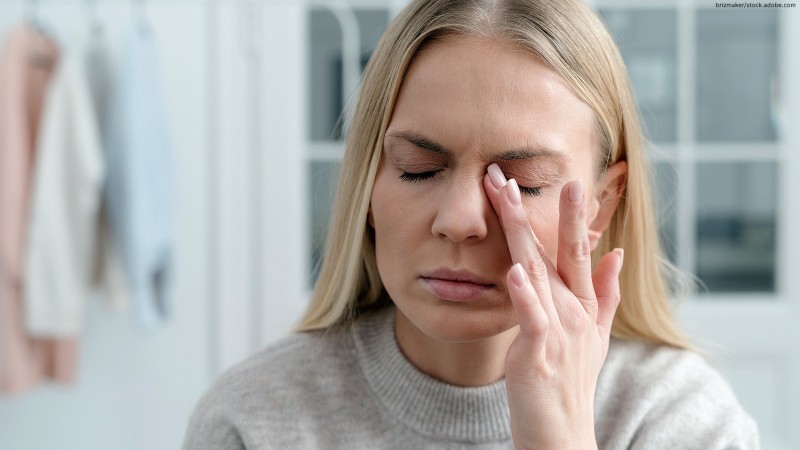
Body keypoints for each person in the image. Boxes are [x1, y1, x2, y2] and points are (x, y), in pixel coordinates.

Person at [184, 0, 759, 448]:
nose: (459, 220)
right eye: (417, 169)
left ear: (602, 205)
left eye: (523, 183)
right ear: (368, 186)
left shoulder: (682, 422)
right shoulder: (251, 421)